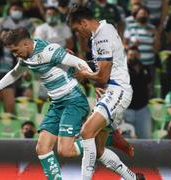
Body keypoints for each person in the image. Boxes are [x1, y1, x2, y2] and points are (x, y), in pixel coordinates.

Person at [0, 27, 92, 180]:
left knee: (65, 150)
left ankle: (99, 141)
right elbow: (16, 72)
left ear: (26, 44)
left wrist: (98, 84)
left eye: (16, 50)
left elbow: (80, 62)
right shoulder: (26, 57)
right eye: (12, 52)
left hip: (73, 99)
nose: (15, 54)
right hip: (57, 103)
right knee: (42, 148)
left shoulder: (49, 51)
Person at [67, 4, 145, 180]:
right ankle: (133, 178)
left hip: (117, 91)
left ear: (84, 22)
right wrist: (76, 61)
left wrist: (85, 75)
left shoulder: (102, 36)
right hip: (112, 92)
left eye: (77, 29)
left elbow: (102, 76)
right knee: (99, 150)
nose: (78, 34)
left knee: (86, 132)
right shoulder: (103, 30)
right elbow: (105, 66)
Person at [124, 46, 152, 139]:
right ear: (126, 56)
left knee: (146, 138)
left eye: (135, 55)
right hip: (127, 110)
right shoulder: (122, 70)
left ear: (139, 55)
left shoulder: (145, 68)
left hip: (143, 109)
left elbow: (149, 85)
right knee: (126, 141)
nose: (133, 57)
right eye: (131, 55)